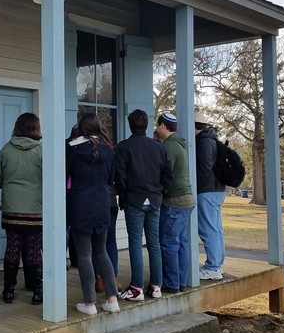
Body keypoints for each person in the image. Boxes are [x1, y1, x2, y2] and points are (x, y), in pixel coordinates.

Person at [114, 109, 172, 301]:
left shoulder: (124, 147)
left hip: (135, 200)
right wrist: (159, 193)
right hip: (154, 199)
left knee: (135, 243)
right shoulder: (159, 147)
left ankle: (137, 288)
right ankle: (156, 286)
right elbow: (167, 175)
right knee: (154, 243)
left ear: (130, 124)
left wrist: (123, 195)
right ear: (146, 125)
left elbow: (120, 177)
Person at [66, 113, 120, 315]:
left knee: (85, 255)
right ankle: (112, 299)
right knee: (102, 251)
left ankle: (89, 303)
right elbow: (111, 178)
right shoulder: (109, 151)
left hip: (80, 203)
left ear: (81, 127)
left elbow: (65, 178)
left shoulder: (72, 149)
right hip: (102, 203)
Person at [0, 112, 43, 305]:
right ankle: (37, 291)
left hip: (11, 209)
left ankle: (8, 290)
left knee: (12, 248)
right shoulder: (41, 150)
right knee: (33, 250)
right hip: (35, 209)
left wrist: (8, 187)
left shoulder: (6, 150)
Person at [154, 112, 196, 293]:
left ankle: (171, 283)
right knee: (181, 242)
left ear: (163, 126)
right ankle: (180, 280)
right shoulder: (180, 144)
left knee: (169, 242)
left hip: (175, 200)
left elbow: (166, 174)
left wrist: (157, 192)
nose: (156, 129)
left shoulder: (170, 146)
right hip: (187, 199)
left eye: (157, 126)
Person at [194, 112, 226, 280]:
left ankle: (213, 267)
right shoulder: (211, 139)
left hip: (207, 190)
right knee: (216, 229)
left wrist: (194, 184)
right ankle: (217, 265)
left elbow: (205, 167)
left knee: (208, 229)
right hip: (216, 190)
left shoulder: (204, 142)